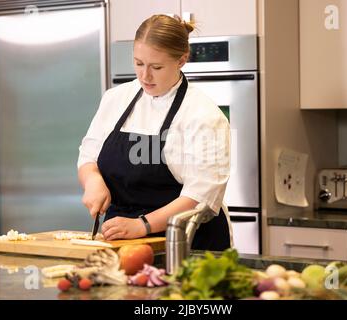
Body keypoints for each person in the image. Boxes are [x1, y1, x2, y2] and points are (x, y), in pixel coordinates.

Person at [77, 14, 231, 251]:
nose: (145, 76)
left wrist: (143, 226)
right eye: (138, 63)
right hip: (121, 241)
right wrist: (93, 181)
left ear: (182, 60)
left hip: (186, 243)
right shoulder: (115, 99)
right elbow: (88, 157)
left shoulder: (203, 115)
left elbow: (201, 199)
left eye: (156, 67)